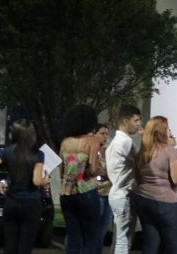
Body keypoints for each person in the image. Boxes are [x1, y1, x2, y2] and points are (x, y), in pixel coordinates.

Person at [0, 119, 50, 254]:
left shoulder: (7, 152)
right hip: (31, 204)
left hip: (11, 202)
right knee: (25, 246)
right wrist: (45, 180)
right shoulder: (38, 154)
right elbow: (36, 181)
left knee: (10, 245)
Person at [133, 116, 177, 254]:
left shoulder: (142, 152)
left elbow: (138, 178)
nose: (169, 132)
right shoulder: (170, 151)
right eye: (168, 128)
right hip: (165, 202)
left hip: (144, 200)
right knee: (174, 246)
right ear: (162, 131)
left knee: (150, 244)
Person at [58, 105, 104, 254]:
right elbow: (92, 170)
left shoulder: (65, 142)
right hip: (86, 191)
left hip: (66, 193)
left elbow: (61, 171)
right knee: (91, 238)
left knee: (74, 238)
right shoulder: (92, 141)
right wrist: (103, 171)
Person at [106, 105, 142, 254]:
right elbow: (139, 166)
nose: (139, 124)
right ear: (126, 121)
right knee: (123, 241)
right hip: (124, 194)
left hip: (117, 192)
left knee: (120, 239)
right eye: (136, 120)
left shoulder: (115, 142)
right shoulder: (126, 142)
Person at [91, 123, 111, 250]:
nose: (105, 136)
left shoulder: (108, 151)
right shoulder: (90, 150)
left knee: (101, 233)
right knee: (92, 230)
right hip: (95, 193)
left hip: (108, 193)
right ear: (94, 134)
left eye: (106, 134)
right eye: (102, 133)